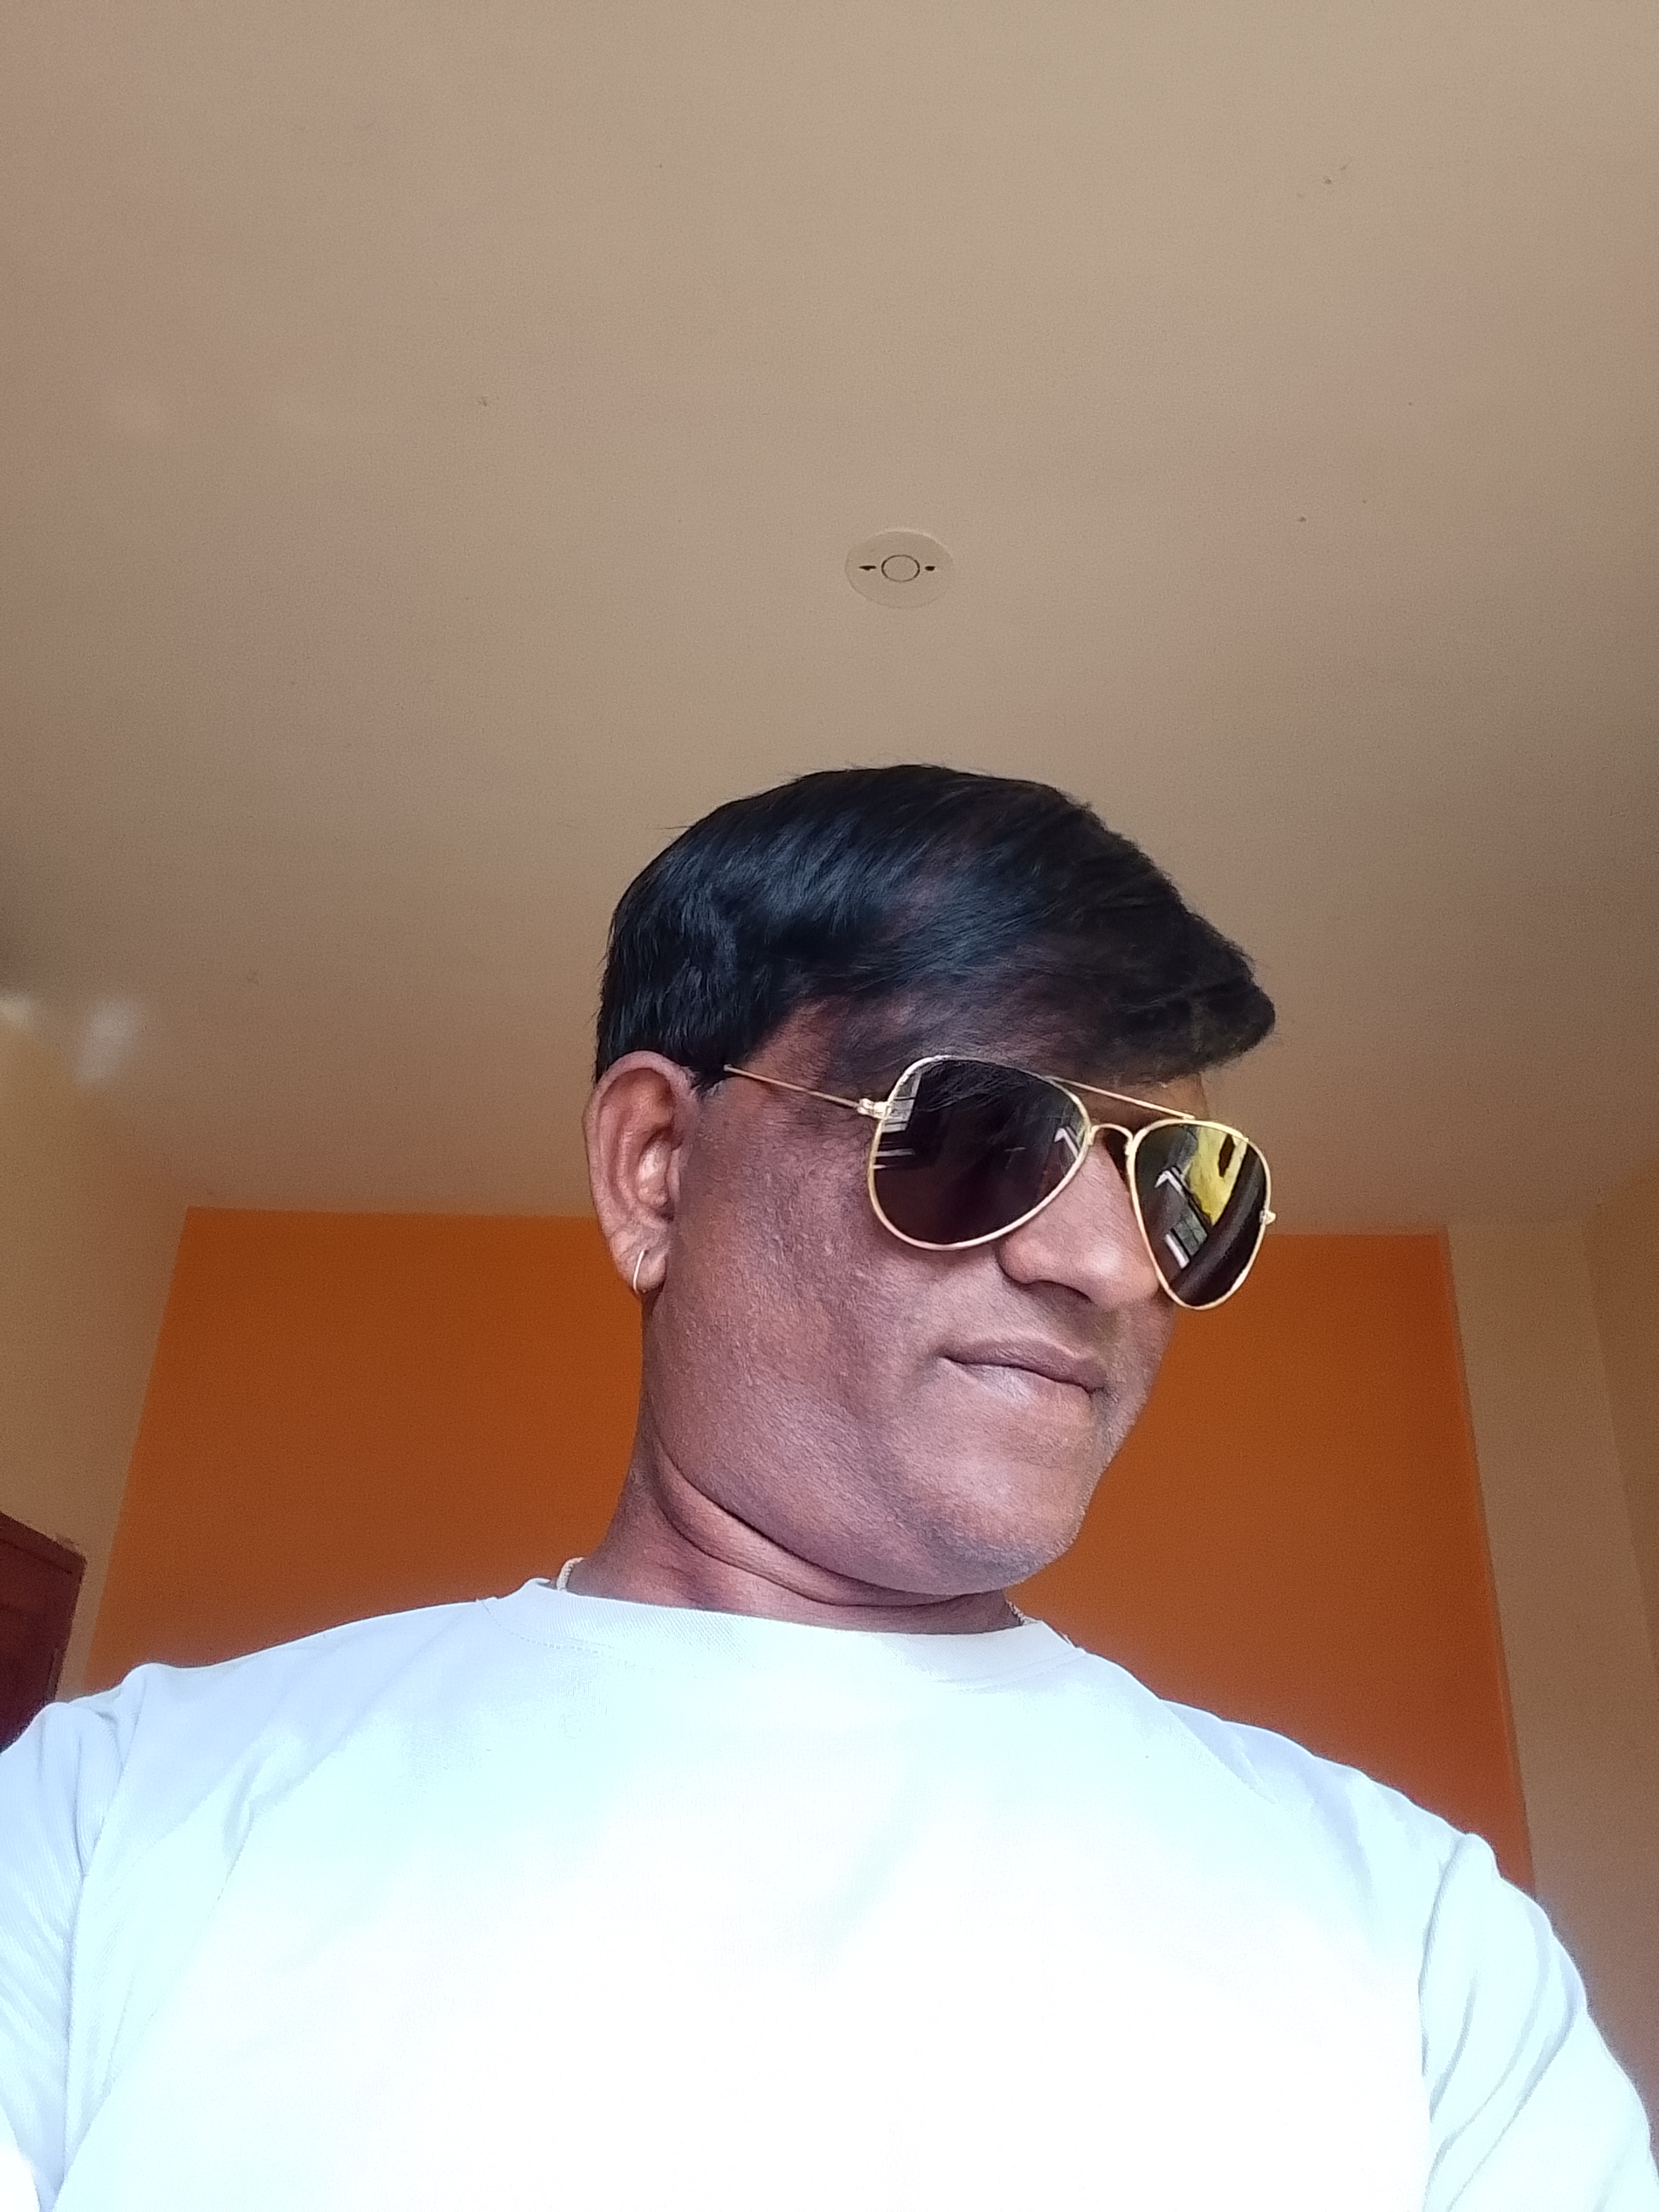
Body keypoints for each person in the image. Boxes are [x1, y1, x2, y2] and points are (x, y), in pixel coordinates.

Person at [1, 764, 1653, 2210]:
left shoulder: (1422, 1947)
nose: (1106, 1263)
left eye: (1181, 1181)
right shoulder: (105, 1826)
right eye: (977, 1130)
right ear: (657, 1168)